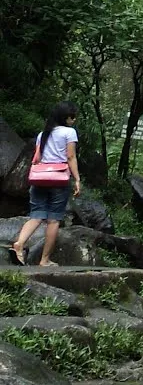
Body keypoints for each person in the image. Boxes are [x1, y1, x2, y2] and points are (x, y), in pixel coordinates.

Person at [13, 101, 82, 267]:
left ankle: (19, 243)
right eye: (72, 117)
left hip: (39, 179)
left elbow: (36, 158)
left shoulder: (43, 133)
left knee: (36, 216)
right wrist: (77, 179)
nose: (73, 120)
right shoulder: (69, 132)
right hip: (58, 180)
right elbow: (70, 157)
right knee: (53, 220)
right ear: (66, 117)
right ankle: (44, 260)